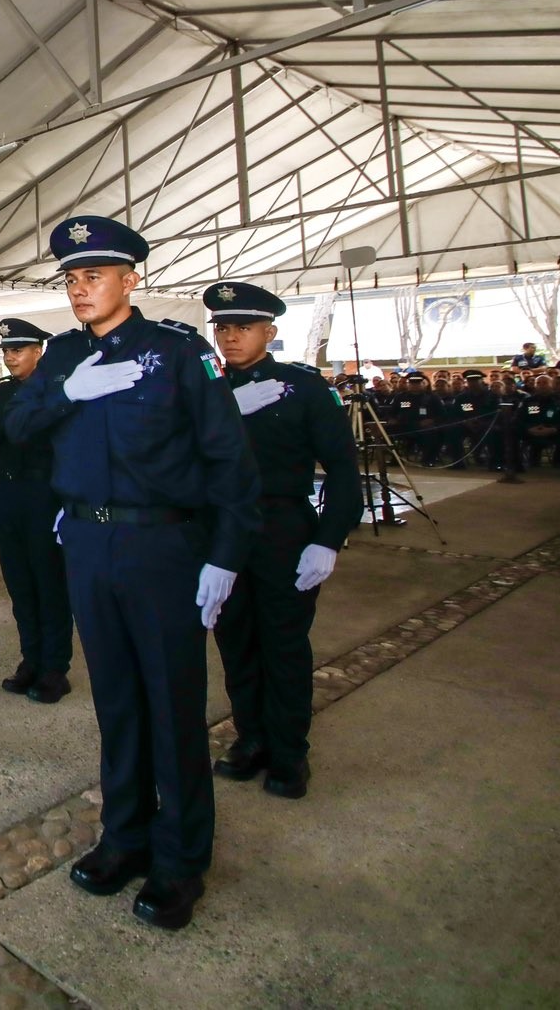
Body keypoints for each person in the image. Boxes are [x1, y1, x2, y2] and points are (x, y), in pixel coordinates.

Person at [4, 217, 259, 933]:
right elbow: (16, 429)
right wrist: (69, 392)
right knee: (116, 702)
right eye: (72, 279)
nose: (81, 289)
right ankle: (124, 836)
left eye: (95, 276)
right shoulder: (59, 359)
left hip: (162, 547)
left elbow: (229, 461)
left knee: (173, 706)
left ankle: (180, 859)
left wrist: (225, 554)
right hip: (87, 540)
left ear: (131, 279)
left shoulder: (177, 352)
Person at [203, 282, 360, 801]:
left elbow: (340, 468)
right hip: (222, 530)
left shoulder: (305, 388)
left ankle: (290, 753)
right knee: (235, 640)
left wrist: (329, 537)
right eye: (223, 327)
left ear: (270, 331)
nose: (230, 337)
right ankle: (251, 738)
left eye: (243, 327)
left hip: (281, 527)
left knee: (284, 644)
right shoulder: (206, 390)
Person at [0, 318, 72, 704]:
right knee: (19, 581)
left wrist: (8, 425)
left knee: (49, 582)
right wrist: (5, 422)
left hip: (45, 496)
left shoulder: (55, 390)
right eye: (8, 351)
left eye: (18, 350)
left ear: (38, 352)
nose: (11, 357)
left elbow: (50, 440)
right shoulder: (2, 392)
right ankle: (31, 657)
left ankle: (55, 668)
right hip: (7, 495)